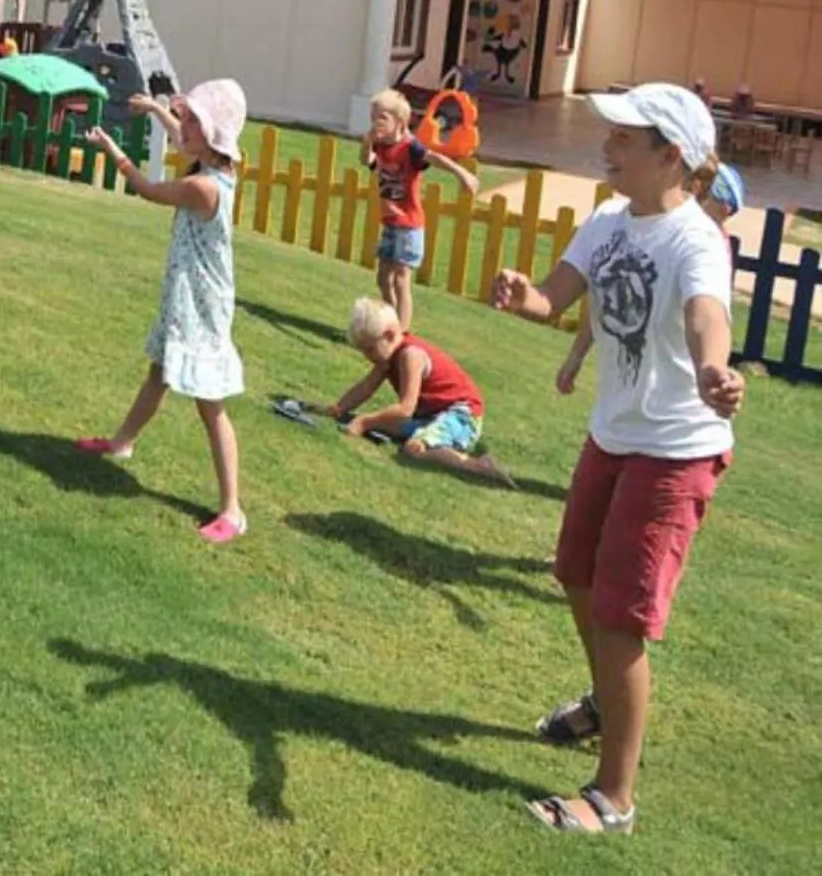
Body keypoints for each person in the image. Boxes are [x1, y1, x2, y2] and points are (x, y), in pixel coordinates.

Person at [492, 83, 743, 836]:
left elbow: (707, 313)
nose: (607, 148)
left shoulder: (696, 239)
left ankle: (613, 798)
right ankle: (607, 702)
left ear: (671, 157)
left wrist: (712, 370)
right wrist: (524, 296)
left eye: (625, 139)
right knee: (573, 573)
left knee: (620, 616)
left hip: (675, 451)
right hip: (613, 435)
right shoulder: (606, 221)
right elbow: (557, 296)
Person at [76, 83, 251, 544]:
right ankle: (123, 442)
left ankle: (233, 509)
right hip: (187, 295)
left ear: (212, 135)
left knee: (210, 404)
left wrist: (113, 150)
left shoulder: (202, 187)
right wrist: (157, 108)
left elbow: (150, 189)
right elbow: (181, 137)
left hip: (203, 303)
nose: (184, 127)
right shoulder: (214, 167)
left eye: (194, 121)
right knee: (159, 372)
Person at [556, 162, 743, 394]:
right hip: (624, 405)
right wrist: (577, 355)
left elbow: (708, 316)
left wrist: (713, 365)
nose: (692, 197)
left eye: (704, 195)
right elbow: (606, 302)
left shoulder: (706, 245)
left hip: (675, 400)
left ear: (724, 210)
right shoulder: (636, 227)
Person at [318, 298, 514, 486]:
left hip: (462, 415)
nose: (367, 356)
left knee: (414, 448)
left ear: (390, 335)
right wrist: (339, 407)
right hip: (433, 415)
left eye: (370, 349)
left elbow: (405, 408)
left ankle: (480, 466)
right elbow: (366, 387)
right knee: (385, 426)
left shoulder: (410, 355)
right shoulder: (386, 358)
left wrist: (365, 421)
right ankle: (432, 437)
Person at [363, 88, 481, 330]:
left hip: (409, 224)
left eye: (382, 118)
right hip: (390, 223)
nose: (376, 123)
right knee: (383, 278)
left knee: (400, 279)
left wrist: (462, 174)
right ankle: (392, 323)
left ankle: (402, 332)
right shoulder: (380, 145)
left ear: (400, 122)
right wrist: (367, 141)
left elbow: (435, 158)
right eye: (373, 117)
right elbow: (367, 161)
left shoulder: (410, 148)